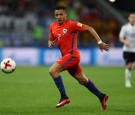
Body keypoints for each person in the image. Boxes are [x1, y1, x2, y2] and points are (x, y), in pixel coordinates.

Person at [48, 6, 109, 110]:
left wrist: (100, 42)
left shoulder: (72, 24)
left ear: (65, 15)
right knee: (82, 80)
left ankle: (64, 97)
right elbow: (50, 39)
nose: (58, 17)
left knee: (53, 71)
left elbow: (90, 28)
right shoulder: (52, 26)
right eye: (56, 15)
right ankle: (101, 96)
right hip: (67, 57)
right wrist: (50, 43)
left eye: (61, 14)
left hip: (72, 55)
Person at [119, 13, 135, 88]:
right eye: (131, 17)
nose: (132, 19)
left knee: (132, 65)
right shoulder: (125, 27)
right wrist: (125, 42)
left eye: (134, 17)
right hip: (127, 50)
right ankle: (127, 81)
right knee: (129, 66)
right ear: (129, 18)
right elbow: (121, 37)